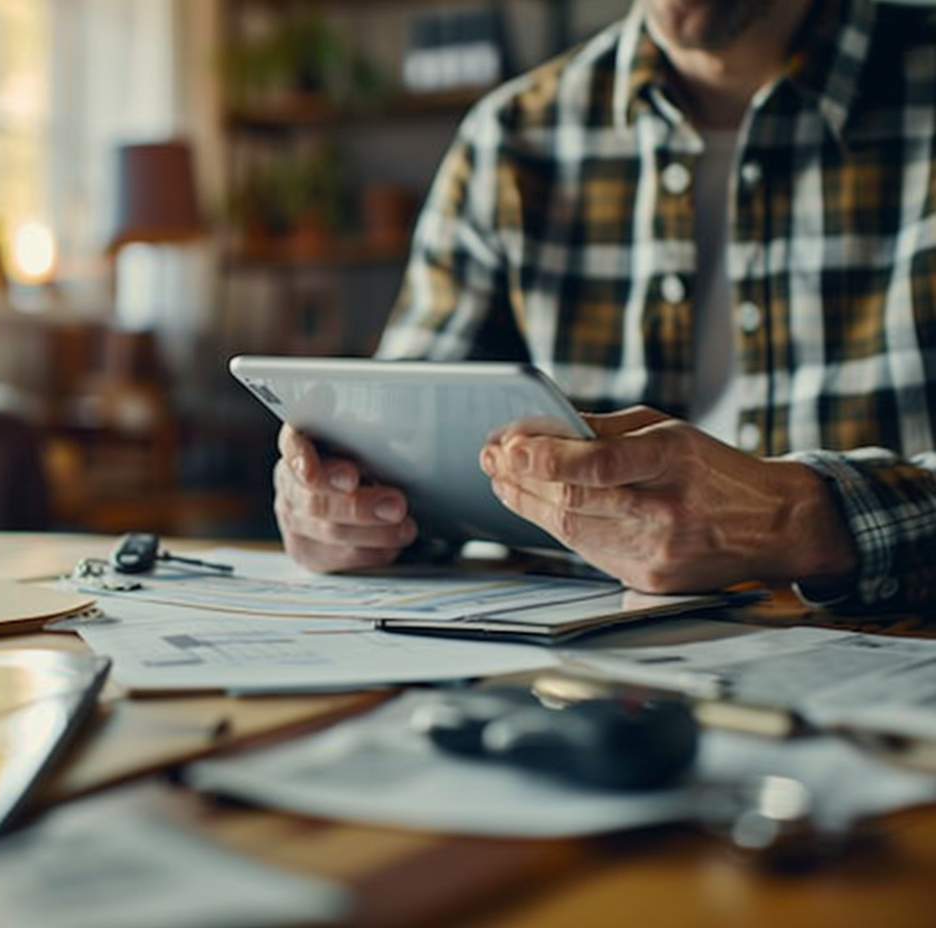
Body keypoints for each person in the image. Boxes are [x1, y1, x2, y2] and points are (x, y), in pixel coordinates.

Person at [272, 0, 936, 612]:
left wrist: (799, 520)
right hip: (576, 672)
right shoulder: (510, 140)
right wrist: (343, 511)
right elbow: (400, 454)